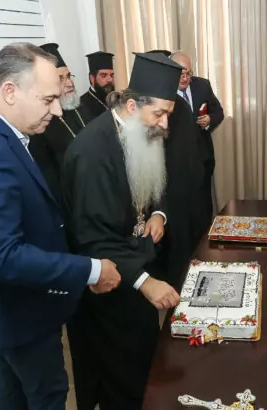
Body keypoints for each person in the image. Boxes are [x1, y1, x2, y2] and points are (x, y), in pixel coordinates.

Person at [0, 43, 120, 410]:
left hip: (10, 309)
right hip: (17, 309)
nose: (57, 110)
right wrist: (90, 270)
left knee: (14, 392)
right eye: (48, 99)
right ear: (10, 91)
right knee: (46, 394)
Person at [62, 52, 182, 409]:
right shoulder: (92, 153)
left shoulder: (140, 130)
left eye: (168, 114)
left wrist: (158, 213)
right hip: (111, 283)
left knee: (145, 359)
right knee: (121, 376)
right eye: (158, 114)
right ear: (132, 106)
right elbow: (92, 237)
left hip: (137, 264)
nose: (164, 124)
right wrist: (145, 281)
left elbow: (155, 182)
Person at [146, 49, 206, 288]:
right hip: (166, 191)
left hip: (183, 188)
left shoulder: (178, 105)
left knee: (186, 248)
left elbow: (189, 150)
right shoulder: (152, 106)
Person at [28, 43, 93, 204]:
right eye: (61, 79)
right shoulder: (40, 125)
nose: (70, 83)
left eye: (69, 76)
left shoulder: (81, 108)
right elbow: (50, 181)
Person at [170, 51, 224, 236]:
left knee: (203, 209)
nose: (185, 78)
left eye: (188, 73)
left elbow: (219, 112)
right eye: (181, 74)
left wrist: (209, 120)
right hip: (177, 165)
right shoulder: (164, 92)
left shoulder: (202, 85)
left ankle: (205, 244)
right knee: (183, 214)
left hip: (203, 159)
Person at [80, 51, 115, 118]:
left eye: (111, 75)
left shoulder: (117, 100)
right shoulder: (82, 105)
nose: (110, 80)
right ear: (92, 78)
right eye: (104, 75)